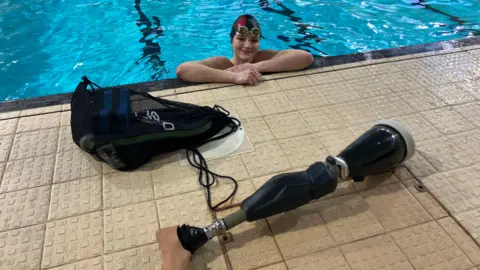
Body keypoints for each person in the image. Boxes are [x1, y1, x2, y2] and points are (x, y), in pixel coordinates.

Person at [175, 14, 314, 85]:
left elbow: (306, 57)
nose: (247, 45)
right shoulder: (223, 64)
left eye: (254, 40)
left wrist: (254, 66)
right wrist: (234, 77)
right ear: (231, 41)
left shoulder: (262, 57)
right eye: (241, 39)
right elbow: (183, 70)